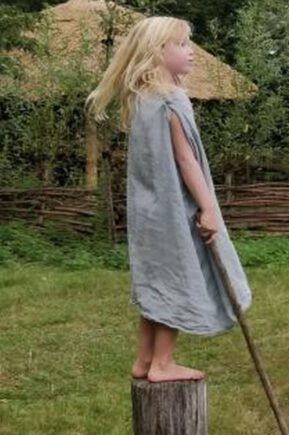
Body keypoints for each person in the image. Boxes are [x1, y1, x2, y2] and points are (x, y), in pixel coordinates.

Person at [86, 17, 251, 382]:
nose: (191, 52)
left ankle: (145, 359)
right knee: (175, 279)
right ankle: (162, 364)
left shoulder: (143, 100)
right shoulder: (171, 99)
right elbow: (187, 160)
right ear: (158, 52)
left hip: (148, 212)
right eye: (182, 45)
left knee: (156, 280)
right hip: (174, 210)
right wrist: (208, 208)